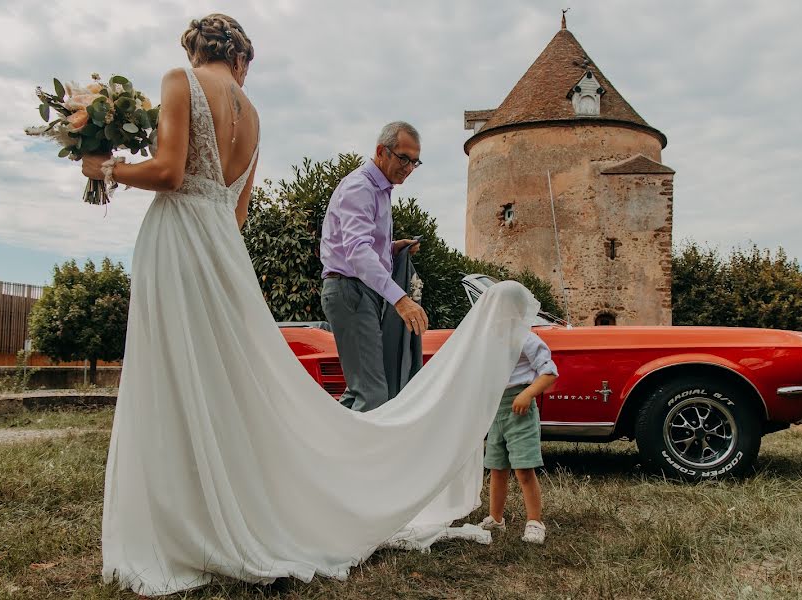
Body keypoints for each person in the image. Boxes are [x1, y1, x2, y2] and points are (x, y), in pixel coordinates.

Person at [82, 13, 539, 596]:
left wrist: (106, 167)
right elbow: (237, 213)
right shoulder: (254, 117)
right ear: (241, 57)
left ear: (196, 48)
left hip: (177, 242)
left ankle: (190, 513)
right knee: (228, 380)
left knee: (173, 370)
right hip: (224, 251)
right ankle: (243, 501)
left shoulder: (181, 81)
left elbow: (170, 171)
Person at [319, 122, 428, 412]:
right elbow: (356, 253)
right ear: (382, 151)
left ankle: (327, 452)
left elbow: (359, 246)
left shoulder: (380, 189)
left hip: (356, 290)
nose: (408, 167)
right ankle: (350, 458)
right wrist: (401, 299)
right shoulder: (361, 187)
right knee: (373, 393)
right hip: (349, 290)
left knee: (361, 392)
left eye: (414, 161)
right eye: (403, 158)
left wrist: (393, 248)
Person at [477, 331, 558, 544]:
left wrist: (528, 394)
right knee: (497, 467)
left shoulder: (526, 338)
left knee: (524, 469)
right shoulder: (490, 338)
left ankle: (535, 522)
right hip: (497, 410)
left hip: (520, 409)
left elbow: (549, 372)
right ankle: (496, 518)